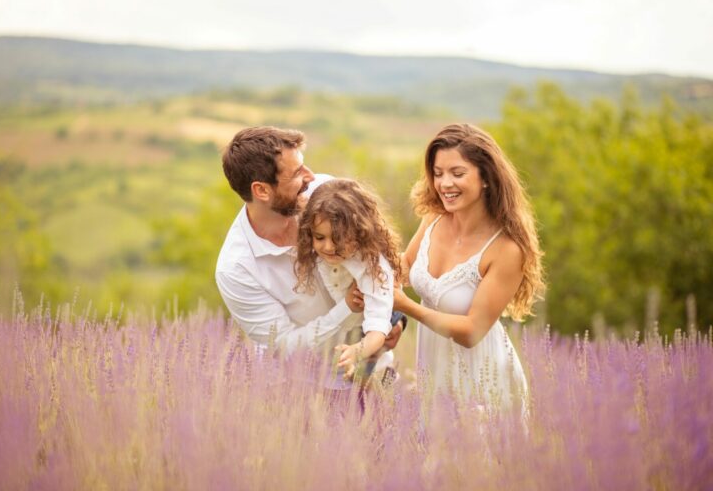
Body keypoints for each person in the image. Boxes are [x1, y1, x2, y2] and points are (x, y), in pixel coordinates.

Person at [215, 126, 403, 365]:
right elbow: (284, 345)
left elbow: (376, 253)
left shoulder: (326, 194)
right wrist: (348, 308)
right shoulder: (237, 269)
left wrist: (392, 317)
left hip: (374, 365)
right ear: (261, 190)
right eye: (296, 173)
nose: (311, 177)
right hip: (302, 387)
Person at [393, 123, 544, 410]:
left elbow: (472, 332)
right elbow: (405, 267)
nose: (444, 184)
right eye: (438, 174)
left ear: (486, 177)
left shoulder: (506, 250)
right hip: (434, 375)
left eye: (457, 173)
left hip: (484, 382)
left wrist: (405, 306)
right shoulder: (433, 219)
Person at [294, 178, 402, 380]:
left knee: (368, 386)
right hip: (342, 335)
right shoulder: (313, 249)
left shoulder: (371, 266)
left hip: (371, 335)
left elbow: (378, 326)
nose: (328, 247)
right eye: (319, 238)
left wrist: (358, 350)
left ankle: (382, 380)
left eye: (339, 239)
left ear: (361, 232)